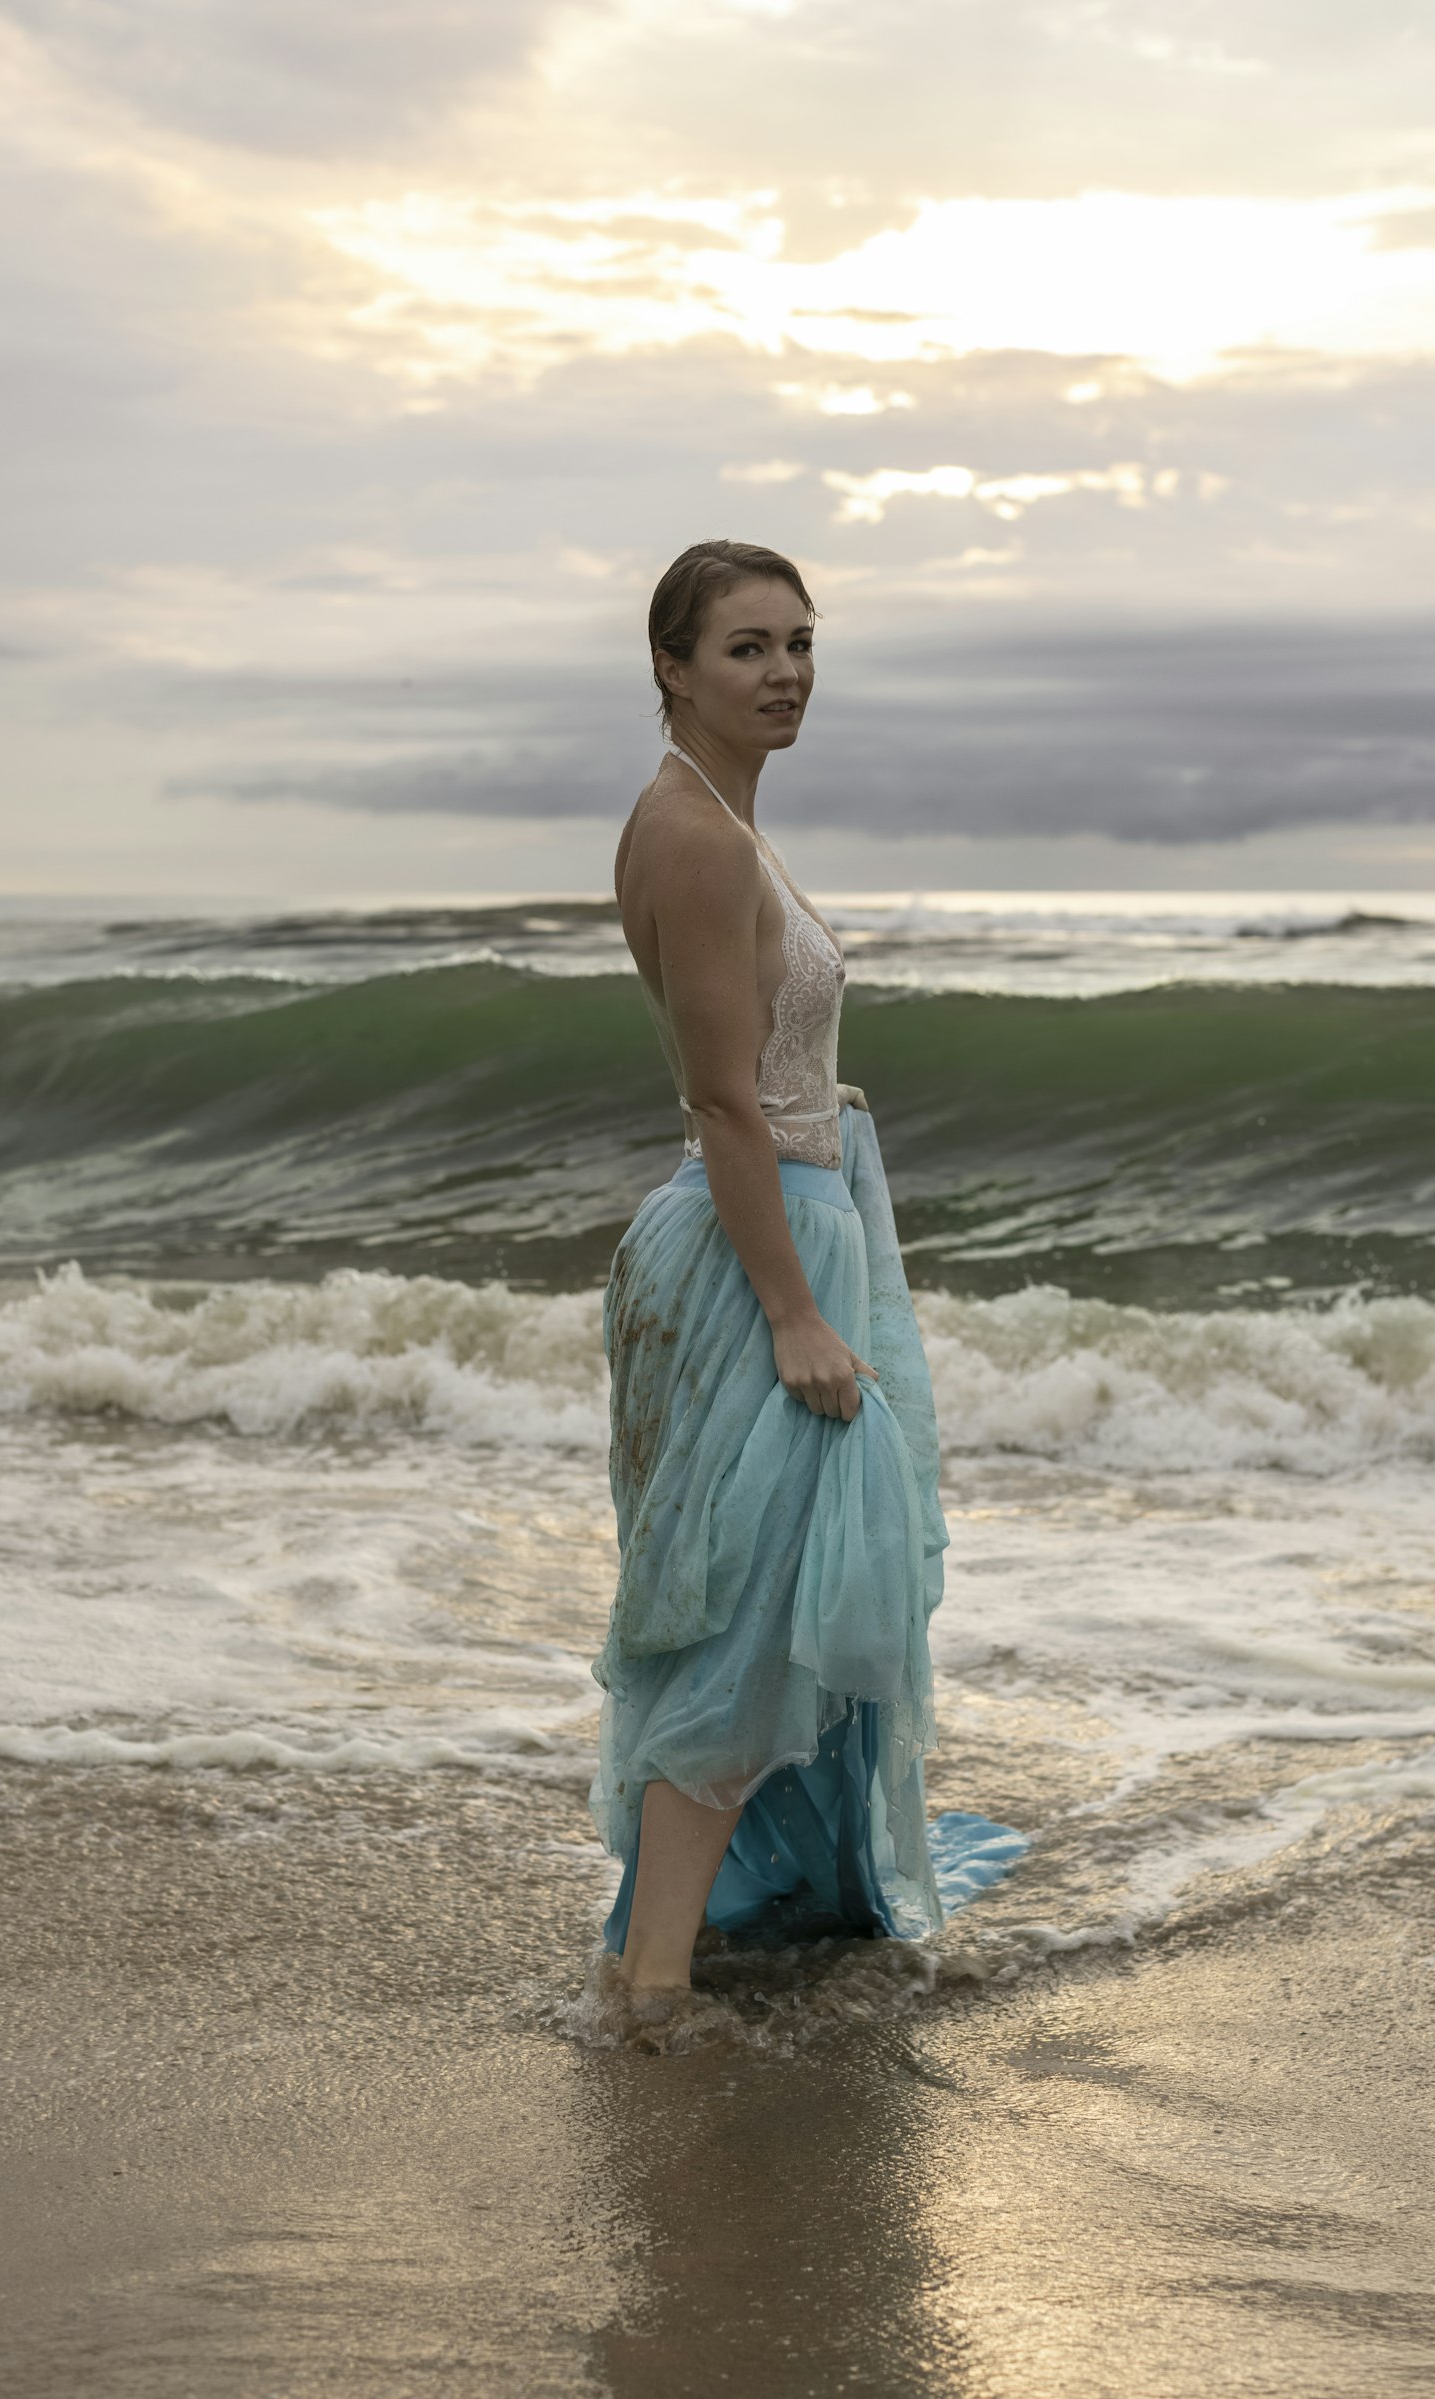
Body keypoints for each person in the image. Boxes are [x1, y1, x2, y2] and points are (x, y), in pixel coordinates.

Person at [591, 538, 1024, 1996]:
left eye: (799, 642)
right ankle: (650, 1995)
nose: (784, 674)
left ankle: (671, 1957)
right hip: (751, 1251)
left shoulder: (708, 811)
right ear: (672, 667)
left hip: (769, 1218)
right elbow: (721, 1101)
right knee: (752, 1626)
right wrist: (793, 1313)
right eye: (746, 648)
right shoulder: (699, 836)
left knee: (757, 1611)